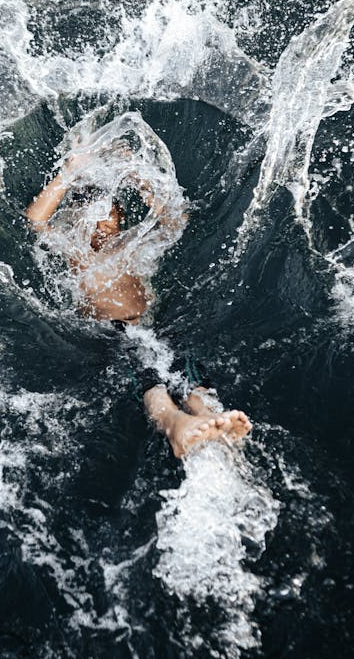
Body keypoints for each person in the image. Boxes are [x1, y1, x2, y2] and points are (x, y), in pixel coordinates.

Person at [26, 137, 252, 458]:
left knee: (186, 369)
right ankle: (175, 426)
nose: (103, 226)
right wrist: (69, 171)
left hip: (151, 325)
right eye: (94, 218)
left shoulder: (130, 244)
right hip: (113, 334)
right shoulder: (73, 250)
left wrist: (139, 177)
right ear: (77, 220)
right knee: (148, 376)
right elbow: (35, 219)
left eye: (110, 217)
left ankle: (207, 415)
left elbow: (175, 222)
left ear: (120, 219)